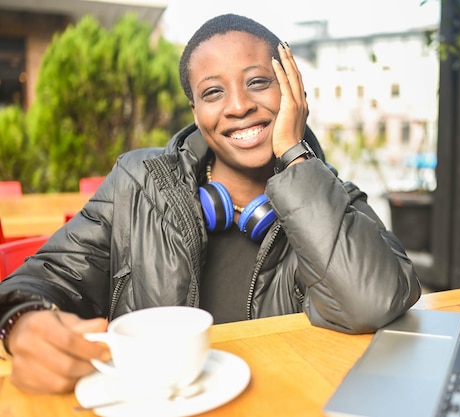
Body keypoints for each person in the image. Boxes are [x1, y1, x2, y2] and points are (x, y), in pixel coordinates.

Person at [0, 13, 421, 394]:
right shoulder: (138, 181)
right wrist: (22, 321)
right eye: (213, 92)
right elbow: (46, 277)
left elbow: (372, 301)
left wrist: (294, 155)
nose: (238, 106)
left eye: (258, 82)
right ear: (196, 109)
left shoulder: (333, 199)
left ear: (294, 90)